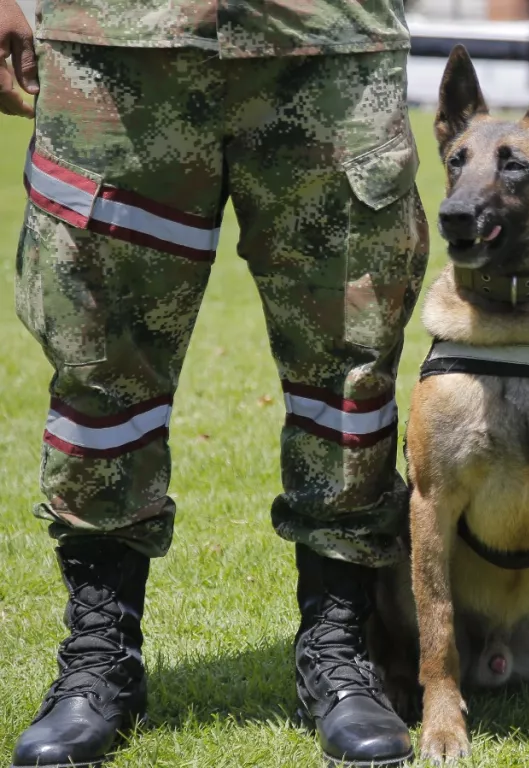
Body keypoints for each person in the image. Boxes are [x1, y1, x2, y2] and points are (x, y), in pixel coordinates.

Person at [0, 0, 427, 764]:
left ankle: (339, 647)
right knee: (99, 352)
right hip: (118, 38)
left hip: (325, 33)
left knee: (350, 363)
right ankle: (101, 656)